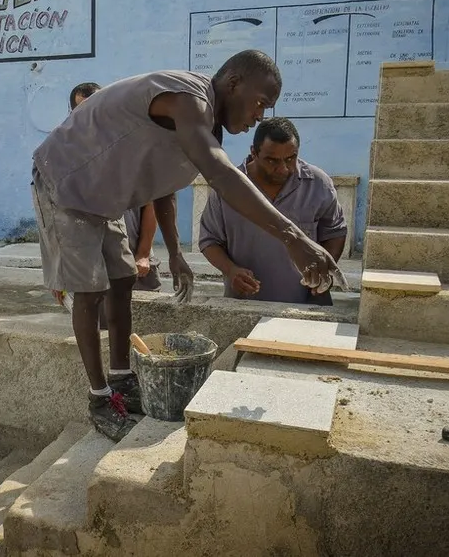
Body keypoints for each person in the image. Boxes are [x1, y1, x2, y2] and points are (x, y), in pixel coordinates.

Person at [31, 51, 343, 441]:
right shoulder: (188, 98)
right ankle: (99, 399)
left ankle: (122, 380)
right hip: (64, 185)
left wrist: (175, 252)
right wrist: (294, 237)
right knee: (91, 291)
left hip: (103, 198)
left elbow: (163, 186)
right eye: (260, 103)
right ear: (233, 84)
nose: (259, 116)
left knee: (124, 279)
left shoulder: (205, 126)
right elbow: (220, 173)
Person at [198, 117, 348, 306]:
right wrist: (230, 270)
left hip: (307, 303)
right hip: (246, 304)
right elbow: (209, 240)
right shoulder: (229, 188)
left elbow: (335, 232)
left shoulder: (318, 184)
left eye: (291, 158)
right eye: (272, 161)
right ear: (254, 152)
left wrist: (321, 271)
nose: (283, 168)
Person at [69, 83, 162, 294]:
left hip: (137, 265)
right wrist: (60, 269)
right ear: (73, 114)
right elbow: (58, 215)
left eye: (97, 108)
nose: (92, 117)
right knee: (95, 323)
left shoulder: (132, 149)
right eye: (83, 110)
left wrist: (144, 254)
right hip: (91, 269)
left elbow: (151, 203)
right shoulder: (68, 157)